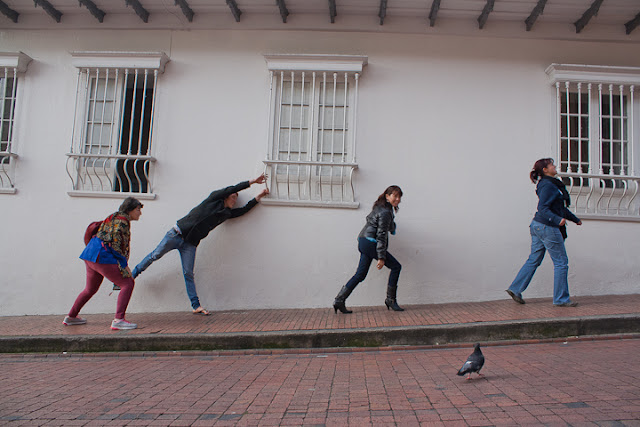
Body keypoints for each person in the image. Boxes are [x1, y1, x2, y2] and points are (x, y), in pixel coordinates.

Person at [131, 175, 269, 314]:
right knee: (155, 255)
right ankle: (132, 275)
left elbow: (243, 210)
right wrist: (252, 182)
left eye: (236, 198)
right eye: (233, 197)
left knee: (188, 273)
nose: (235, 200)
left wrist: (259, 197)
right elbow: (233, 188)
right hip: (176, 234)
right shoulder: (213, 199)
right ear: (226, 196)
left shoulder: (226, 214)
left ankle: (196, 306)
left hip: (190, 244)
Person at [506, 158, 582, 307]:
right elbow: (543, 208)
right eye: (552, 165)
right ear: (545, 170)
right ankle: (561, 299)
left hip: (538, 226)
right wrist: (556, 220)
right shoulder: (548, 185)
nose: (555, 166)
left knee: (534, 259)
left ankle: (515, 289)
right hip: (547, 226)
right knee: (561, 263)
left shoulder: (549, 184)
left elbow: (559, 208)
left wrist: (574, 219)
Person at [63, 197, 144, 330]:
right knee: (127, 283)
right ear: (130, 210)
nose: (140, 213)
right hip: (102, 256)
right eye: (138, 209)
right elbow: (116, 244)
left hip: (90, 254)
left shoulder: (113, 216)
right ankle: (119, 320)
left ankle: (71, 317)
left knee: (90, 289)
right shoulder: (122, 222)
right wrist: (124, 265)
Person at [333, 185, 404, 314]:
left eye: (400, 197)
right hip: (371, 242)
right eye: (395, 196)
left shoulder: (383, 208)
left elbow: (385, 226)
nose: (398, 199)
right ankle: (391, 300)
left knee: (360, 274)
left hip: (364, 241)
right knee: (396, 267)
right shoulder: (385, 211)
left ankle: (339, 300)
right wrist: (381, 257)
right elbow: (381, 235)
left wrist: (392, 226)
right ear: (387, 196)